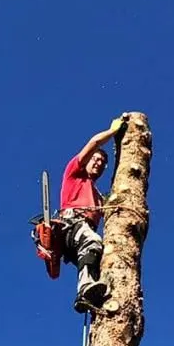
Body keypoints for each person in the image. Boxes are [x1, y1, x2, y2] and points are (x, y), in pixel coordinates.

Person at [60, 117, 125, 312]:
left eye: (102, 162)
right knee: (92, 242)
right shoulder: (74, 174)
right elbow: (94, 143)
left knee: (96, 255)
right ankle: (84, 289)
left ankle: (91, 295)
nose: (98, 163)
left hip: (81, 232)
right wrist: (112, 131)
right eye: (95, 159)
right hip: (72, 223)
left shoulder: (97, 197)